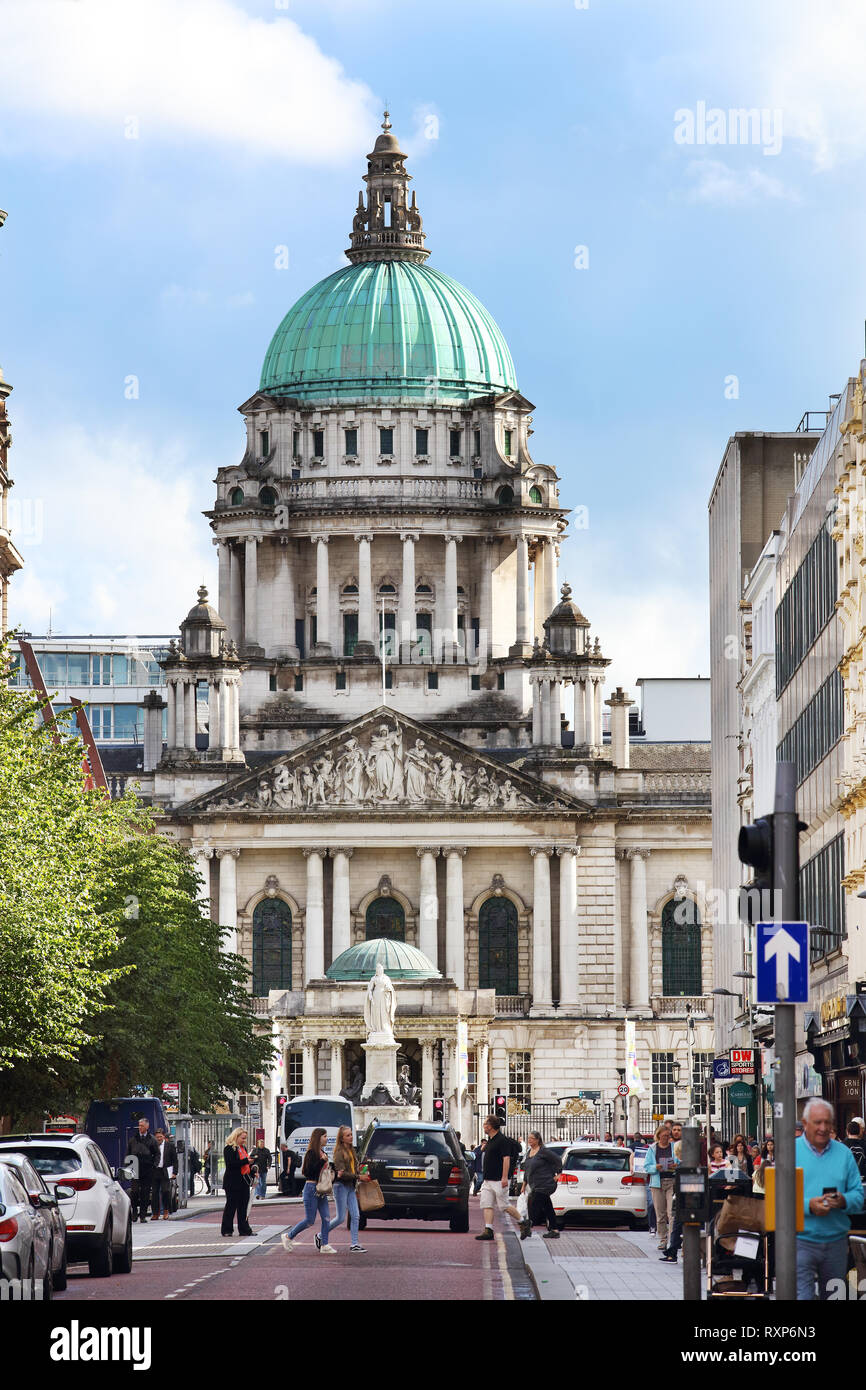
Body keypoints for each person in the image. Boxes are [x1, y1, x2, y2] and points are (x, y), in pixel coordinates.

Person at [796, 1098, 865, 1300]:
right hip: (800, 1240)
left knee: (834, 1297)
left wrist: (843, 1200)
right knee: (803, 1296)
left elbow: (858, 1196)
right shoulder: (790, 1152)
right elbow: (779, 1198)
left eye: (828, 1122)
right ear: (805, 1123)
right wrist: (809, 1205)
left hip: (835, 1241)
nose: (823, 1128)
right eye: (818, 1122)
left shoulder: (843, 1153)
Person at [282, 1127, 335, 1253]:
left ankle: (325, 1245)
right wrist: (321, 1161)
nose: (327, 1139)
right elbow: (308, 1171)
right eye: (325, 1136)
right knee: (310, 1220)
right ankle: (288, 1236)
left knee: (326, 1217)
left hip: (321, 1189)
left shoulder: (323, 1152)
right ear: (318, 1138)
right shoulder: (311, 1153)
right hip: (311, 1188)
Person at [475, 1115, 522, 1241]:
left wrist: (504, 1177)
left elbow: (506, 1159)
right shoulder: (491, 1140)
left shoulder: (502, 1140)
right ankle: (488, 1229)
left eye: (485, 1124)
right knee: (487, 1204)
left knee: (504, 1206)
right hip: (488, 1179)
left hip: (498, 1179)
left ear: (490, 1126)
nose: (483, 1126)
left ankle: (523, 1222)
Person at [519, 1130, 563, 1240]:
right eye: (528, 1138)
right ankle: (554, 1230)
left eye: (532, 1138)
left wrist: (559, 1174)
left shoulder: (543, 1151)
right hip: (535, 1183)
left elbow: (557, 1160)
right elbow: (527, 1169)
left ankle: (528, 1225)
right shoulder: (529, 1151)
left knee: (535, 1203)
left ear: (538, 1140)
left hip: (546, 1183)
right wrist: (524, 1184)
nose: (529, 1140)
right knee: (547, 1206)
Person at [332, 1123, 367, 1253]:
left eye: (351, 1134)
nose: (351, 1137)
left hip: (350, 1186)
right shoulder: (339, 1153)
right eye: (348, 1135)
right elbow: (340, 1174)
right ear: (341, 1138)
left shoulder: (351, 1150)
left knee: (356, 1215)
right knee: (340, 1218)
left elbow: (353, 1168)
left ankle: (354, 1244)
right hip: (341, 1186)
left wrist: (361, 1171)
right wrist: (358, 1177)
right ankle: (320, 1235)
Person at [643, 1123, 679, 1251]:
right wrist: (655, 1167)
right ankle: (663, 1240)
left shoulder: (674, 1147)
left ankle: (673, 1241)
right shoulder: (652, 1149)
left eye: (668, 1136)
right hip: (657, 1183)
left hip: (671, 1182)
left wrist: (676, 1166)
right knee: (660, 1214)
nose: (666, 1138)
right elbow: (646, 1167)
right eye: (664, 1136)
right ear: (658, 1136)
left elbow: (681, 1162)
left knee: (672, 1213)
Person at [221, 1127, 256, 1238]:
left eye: (245, 1138)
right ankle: (227, 1230)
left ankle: (244, 1229)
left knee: (243, 1207)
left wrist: (253, 1169)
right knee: (231, 1206)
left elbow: (245, 1166)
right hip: (232, 1182)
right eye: (242, 1138)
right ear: (236, 1137)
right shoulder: (229, 1149)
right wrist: (246, 1161)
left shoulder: (243, 1148)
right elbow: (231, 1164)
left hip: (243, 1181)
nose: (244, 1140)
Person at [126, 1118, 160, 1224]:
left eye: (142, 1125)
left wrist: (154, 1165)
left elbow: (157, 1154)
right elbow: (128, 1154)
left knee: (145, 1193)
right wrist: (127, 1167)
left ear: (147, 1127)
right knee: (134, 1192)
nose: (140, 1127)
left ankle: (143, 1215)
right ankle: (135, 1211)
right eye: (139, 1125)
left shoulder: (152, 1140)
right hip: (135, 1169)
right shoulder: (133, 1139)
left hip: (147, 1169)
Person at [659, 1141, 684, 1262]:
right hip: (686, 1200)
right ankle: (672, 1251)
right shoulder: (686, 1164)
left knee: (676, 1226)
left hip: (682, 1200)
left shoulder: (682, 1166)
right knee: (677, 1226)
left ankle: (672, 1253)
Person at [151, 1128, 177, 1221]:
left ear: (163, 1137)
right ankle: (155, 1213)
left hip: (165, 1171)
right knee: (154, 1193)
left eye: (160, 1136)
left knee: (165, 1191)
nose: (159, 1138)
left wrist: (174, 1172)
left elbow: (175, 1160)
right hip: (155, 1171)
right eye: (157, 1137)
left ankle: (166, 1211)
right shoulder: (152, 1146)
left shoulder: (170, 1146)